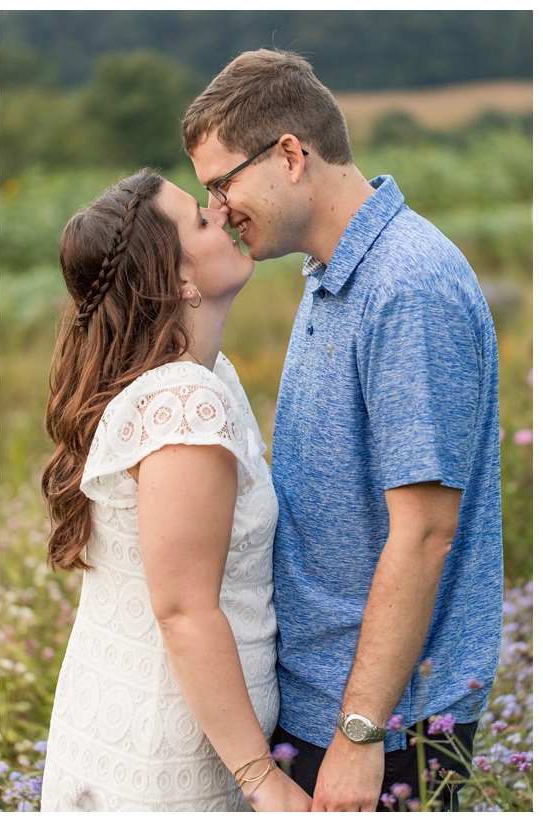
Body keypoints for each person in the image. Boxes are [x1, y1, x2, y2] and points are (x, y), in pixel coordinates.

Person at [182, 49, 502, 812]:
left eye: (222, 183)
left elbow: (424, 532)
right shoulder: (334, 274)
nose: (219, 208)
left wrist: (361, 734)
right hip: (325, 699)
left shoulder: (408, 287)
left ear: (290, 154)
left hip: (382, 726)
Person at [39, 169, 312, 812]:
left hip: (130, 716)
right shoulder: (185, 404)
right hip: (173, 752)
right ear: (178, 281)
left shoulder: (197, 378)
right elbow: (184, 610)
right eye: (199, 218)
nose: (221, 211)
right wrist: (262, 777)